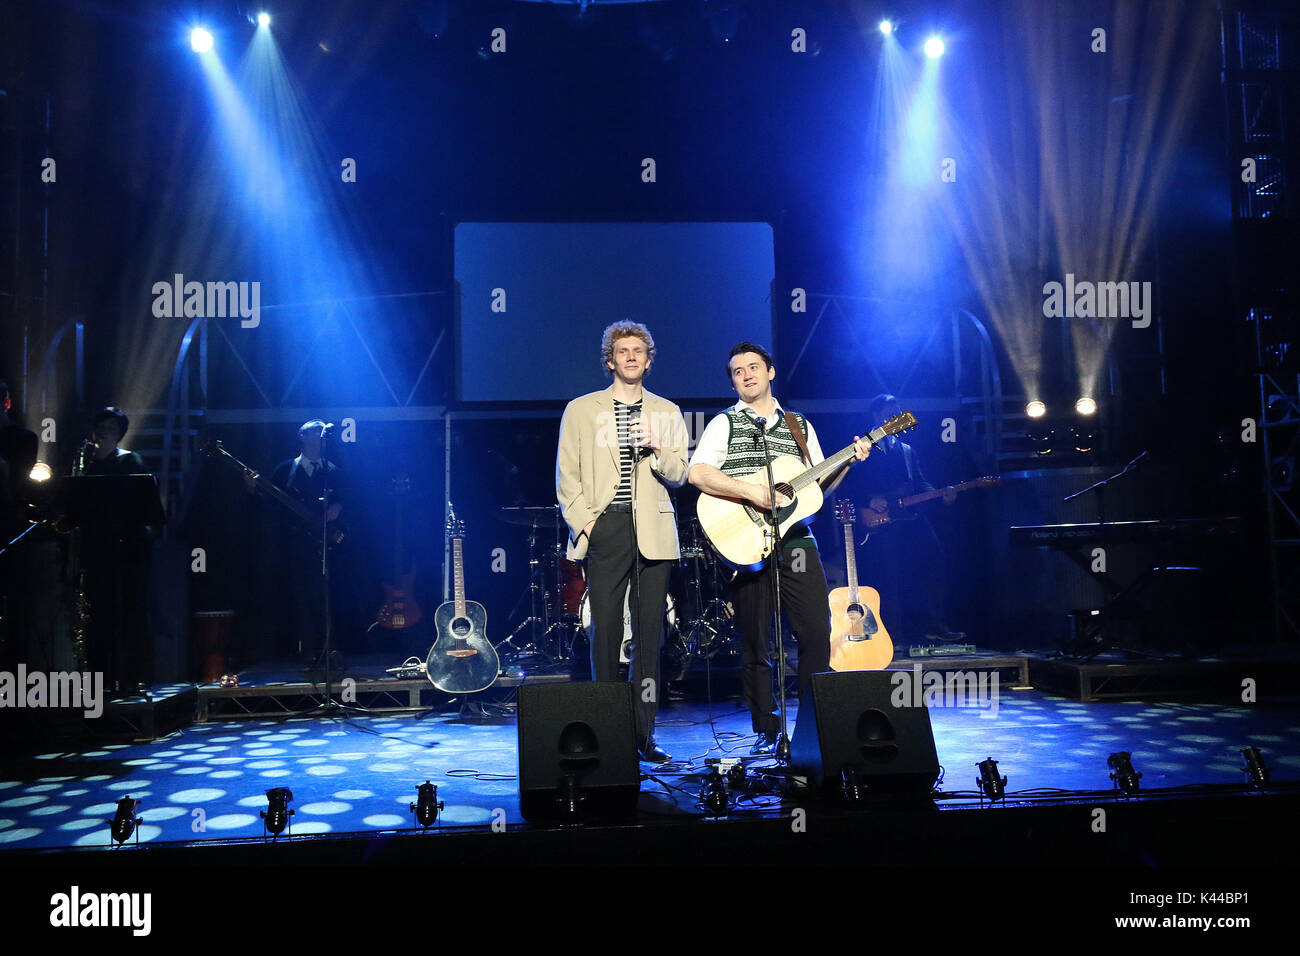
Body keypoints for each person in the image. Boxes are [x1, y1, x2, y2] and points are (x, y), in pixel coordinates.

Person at [688, 343, 872, 754]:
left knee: (816, 631)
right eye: (738, 371)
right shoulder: (723, 423)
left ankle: (811, 724)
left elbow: (817, 488)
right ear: (733, 382)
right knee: (757, 640)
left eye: (754, 367)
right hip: (746, 541)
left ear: (770, 372)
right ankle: (767, 729)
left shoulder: (798, 425)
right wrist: (753, 492)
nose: (747, 375)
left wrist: (848, 462)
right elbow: (697, 473)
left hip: (796, 539)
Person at [556, 321, 689, 763]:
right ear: (610, 361)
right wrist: (587, 526)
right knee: (605, 631)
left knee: (649, 636)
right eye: (622, 351)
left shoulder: (667, 411)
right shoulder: (581, 409)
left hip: (652, 529)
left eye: (638, 351)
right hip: (606, 526)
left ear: (648, 361)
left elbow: (680, 473)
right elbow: (567, 477)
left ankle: (643, 734)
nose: (631, 356)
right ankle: (607, 730)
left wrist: (657, 447)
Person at [834, 393, 961, 646]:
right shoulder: (863, 448)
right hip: (880, 520)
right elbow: (846, 483)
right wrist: (868, 500)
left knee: (935, 559)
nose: (896, 412)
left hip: (910, 517)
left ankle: (933, 625)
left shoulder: (906, 451)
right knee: (888, 573)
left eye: (898, 408)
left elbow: (919, 482)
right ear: (876, 414)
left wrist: (942, 493)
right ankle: (891, 633)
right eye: (890, 409)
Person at [244, 420, 346, 670]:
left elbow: (351, 499)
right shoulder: (285, 470)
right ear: (302, 436)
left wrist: (339, 507)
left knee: (326, 597)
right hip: (295, 544)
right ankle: (308, 653)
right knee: (301, 599)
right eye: (313, 432)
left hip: (325, 545)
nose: (318, 436)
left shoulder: (333, 470)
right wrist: (252, 489)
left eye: (321, 432)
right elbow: (269, 506)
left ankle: (331, 650)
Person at [79, 406, 155, 695]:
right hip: (96, 550)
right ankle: (99, 680)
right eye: (99, 428)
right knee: (98, 616)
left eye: (109, 428)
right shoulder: (85, 465)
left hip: (128, 550)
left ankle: (132, 678)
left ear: (119, 433)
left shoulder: (131, 461)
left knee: (129, 614)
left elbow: (145, 507)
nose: (103, 433)